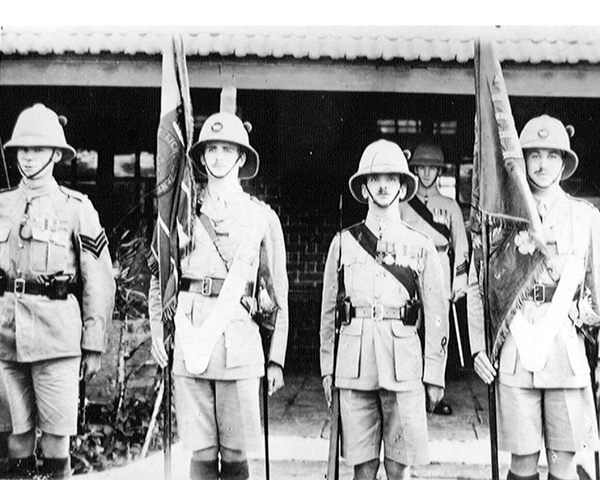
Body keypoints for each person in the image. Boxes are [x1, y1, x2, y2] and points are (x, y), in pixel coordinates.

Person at [148, 111, 289, 480]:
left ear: (242, 158)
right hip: (191, 335)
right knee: (202, 449)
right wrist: (157, 329)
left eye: (228, 150)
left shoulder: (261, 217)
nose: (218, 158)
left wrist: (275, 358)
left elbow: (277, 294)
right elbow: (160, 274)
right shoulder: (180, 212)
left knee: (236, 450)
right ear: (202, 156)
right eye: (211, 150)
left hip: (239, 343)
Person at [468, 115, 600, 480]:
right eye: (534, 156)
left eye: (552, 156)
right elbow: (477, 285)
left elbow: (597, 291)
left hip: (565, 354)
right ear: (521, 162)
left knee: (565, 464)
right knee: (522, 465)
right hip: (516, 352)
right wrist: (480, 347)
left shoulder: (584, 217)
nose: (543, 166)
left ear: (564, 163)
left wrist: (582, 313)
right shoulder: (501, 220)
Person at [320, 139, 449, 480]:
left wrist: (434, 374)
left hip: (404, 365)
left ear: (403, 186)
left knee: (398, 466)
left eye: (391, 178)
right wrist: (326, 366)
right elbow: (329, 312)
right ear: (363, 187)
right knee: (362, 466)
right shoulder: (343, 242)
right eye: (375, 178)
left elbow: (437, 314)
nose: (382, 185)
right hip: (354, 363)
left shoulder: (420, 244)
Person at [0, 103, 115, 478]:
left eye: (37, 149)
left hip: (56, 340)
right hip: (6, 338)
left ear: (54, 153)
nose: (28, 157)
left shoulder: (76, 208)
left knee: (54, 440)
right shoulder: (2, 205)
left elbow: (98, 278)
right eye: (22, 149)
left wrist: (93, 343)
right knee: (15, 437)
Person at [399, 143, 469, 416]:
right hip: (409, 266)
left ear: (439, 171)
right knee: (408, 328)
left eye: (432, 168)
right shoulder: (403, 205)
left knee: (438, 330)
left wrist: (459, 281)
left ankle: (436, 393)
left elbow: (461, 245)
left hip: (440, 263)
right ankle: (410, 389)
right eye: (421, 167)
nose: (426, 172)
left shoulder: (450, 206)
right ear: (414, 169)